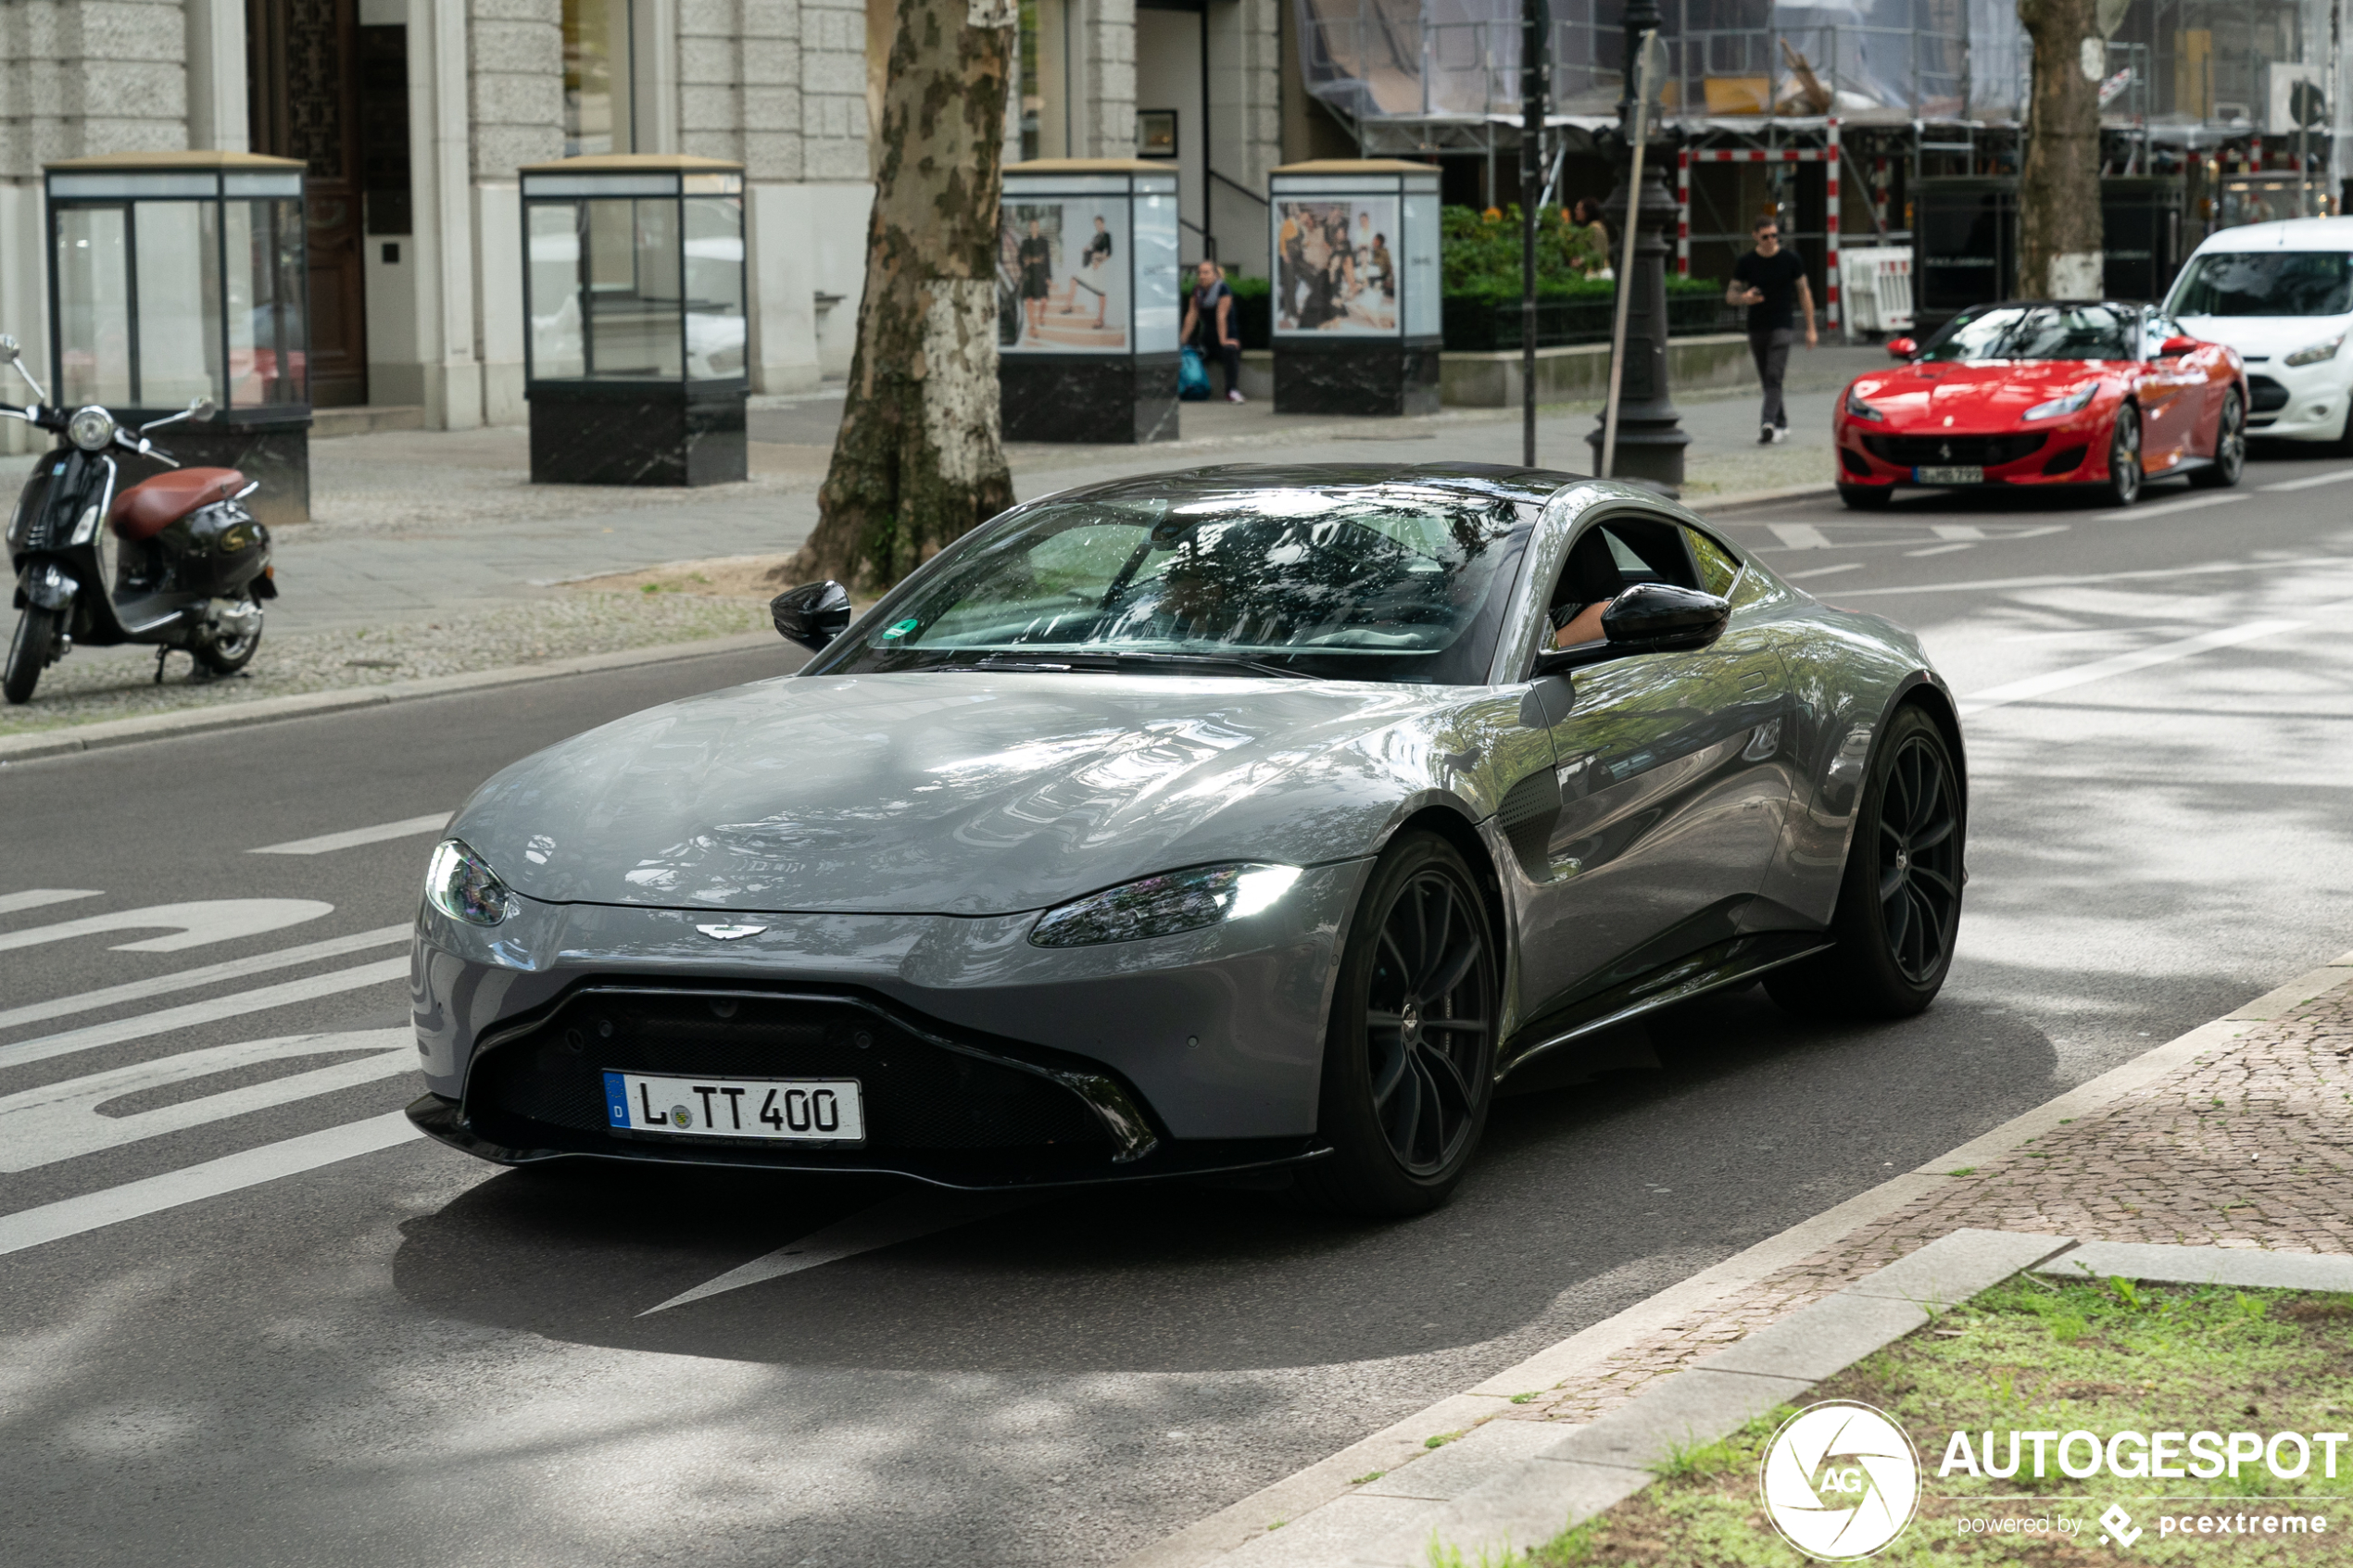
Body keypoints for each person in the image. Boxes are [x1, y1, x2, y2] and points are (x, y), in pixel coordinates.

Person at [1728, 213, 1816, 444]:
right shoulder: (1747, 262)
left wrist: (1811, 328)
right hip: (1757, 327)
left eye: (1774, 235)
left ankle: (1768, 423)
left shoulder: (1791, 259)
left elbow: (1804, 292)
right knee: (1769, 380)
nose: (1771, 240)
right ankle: (1782, 422)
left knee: (1774, 375)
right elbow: (1731, 295)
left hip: (1782, 325)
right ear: (1756, 236)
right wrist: (1745, 297)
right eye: (1765, 236)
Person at [1180, 258, 1245, 403]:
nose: (1202, 276)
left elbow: (1221, 316)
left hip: (1227, 337)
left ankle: (1232, 391)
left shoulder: (1223, 289)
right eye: (1200, 273)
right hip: (1207, 340)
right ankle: (1185, 390)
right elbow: (1191, 316)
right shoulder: (1197, 291)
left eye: (1206, 272)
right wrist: (1182, 342)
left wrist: (1223, 341)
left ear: (1215, 275)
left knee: (1229, 351)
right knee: (1187, 353)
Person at [1017, 219, 1052, 343]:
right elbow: (1019, 259)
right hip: (1029, 275)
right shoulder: (1025, 242)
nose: (1034, 228)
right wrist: (1024, 262)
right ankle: (1032, 327)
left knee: (1044, 301)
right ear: (1029, 228)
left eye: (1036, 226)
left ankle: (1041, 316)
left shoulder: (1044, 242)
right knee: (1030, 301)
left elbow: (1047, 260)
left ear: (1038, 228)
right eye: (1032, 226)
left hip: (1040, 275)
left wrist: (1048, 277)